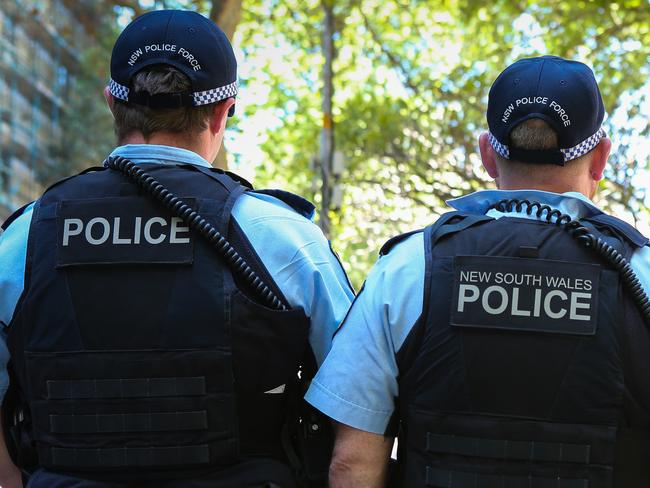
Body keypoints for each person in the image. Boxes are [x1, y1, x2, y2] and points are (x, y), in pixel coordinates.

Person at [0, 9, 354, 488]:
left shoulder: (25, 239)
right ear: (223, 110)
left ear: (111, 103)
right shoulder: (284, 239)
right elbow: (357, 409)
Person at [305, 55, 650, 487]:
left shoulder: (411, 268)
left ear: (488, 154)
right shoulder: (641, 274)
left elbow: (352, 464)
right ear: (600, 157)